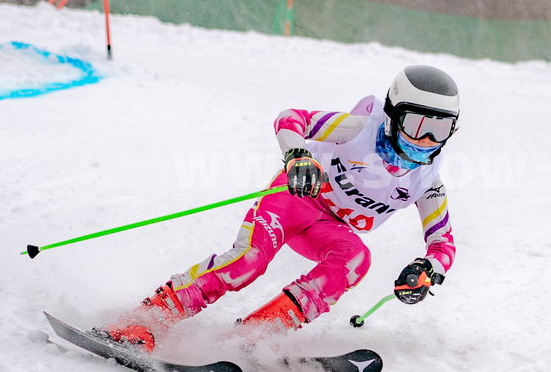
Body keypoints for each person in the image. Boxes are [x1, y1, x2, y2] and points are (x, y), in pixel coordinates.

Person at [101, 64, 460, 352]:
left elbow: (443, 244)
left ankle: (257, 334)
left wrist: (427, 269)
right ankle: (147, 319)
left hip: (328, 228)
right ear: (392, 114)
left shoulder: (427, 181)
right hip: (294, 200)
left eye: (439, 129)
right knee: (249, 260)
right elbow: (291, 118)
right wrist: (297, 155)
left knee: (356, 259)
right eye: (416, 124)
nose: (425, 140)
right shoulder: (358, 130)